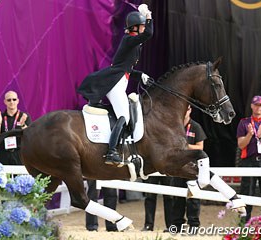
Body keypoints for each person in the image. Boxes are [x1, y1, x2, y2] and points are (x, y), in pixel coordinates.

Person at [77, 4, 153, 166]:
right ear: (135, 27)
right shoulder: (129, 39)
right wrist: (148, 17)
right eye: (141, 26)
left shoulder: (133, 42)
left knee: (126, 115)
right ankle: (111, 151)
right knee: (124, 117)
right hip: (116, 83)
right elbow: (149, 33)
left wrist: (140, 75)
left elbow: (125, 67)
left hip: (121, 80)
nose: (143, 29)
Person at [170, 105, 207, 232]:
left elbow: (200, 147)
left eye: (187, 109)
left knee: (193, 198)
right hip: (178, 167)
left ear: (190, 110)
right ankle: (176, 226)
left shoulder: (195, 126)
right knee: (177, 198)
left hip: (192, 168)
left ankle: (194, 226)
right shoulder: (174, 125)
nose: (185, 111)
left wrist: (186, 146)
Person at [0, 90, 31, 165]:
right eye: (9, 100)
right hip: (4, 154)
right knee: (4, 176)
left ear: (18, 101)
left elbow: (30, 136)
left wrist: (22, 125)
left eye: (14, 99)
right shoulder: (0, 117)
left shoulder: (24, 116)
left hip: (19, 154)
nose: (12, 102)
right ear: (5, 102)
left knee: (20, 176)